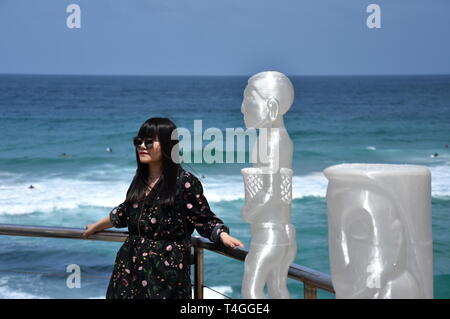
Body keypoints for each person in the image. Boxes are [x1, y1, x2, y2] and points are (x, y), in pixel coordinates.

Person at [82, 117, 243, 299]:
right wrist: (95, 227)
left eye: (149, 141)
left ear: (167, 144)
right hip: (129, 269)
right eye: (138, 141)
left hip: (165, 273)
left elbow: (204, 219)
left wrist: (222, 235)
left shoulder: (185, 182)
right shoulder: (140, 180)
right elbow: (124, 212)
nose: (142, 145)